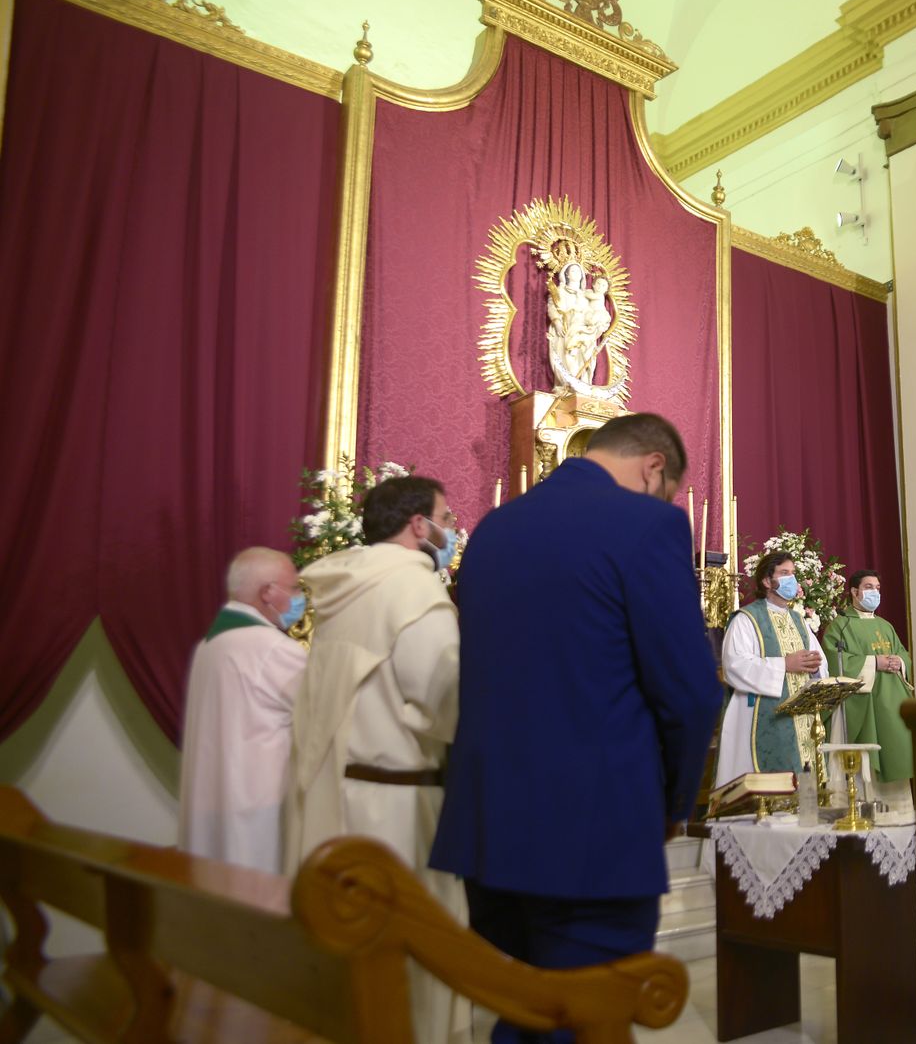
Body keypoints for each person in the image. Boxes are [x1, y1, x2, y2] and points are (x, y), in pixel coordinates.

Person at [430, 413, 721, 1044]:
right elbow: (691, 692)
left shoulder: (494, 530)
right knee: (588, 1013)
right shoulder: (649, 524)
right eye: (666, 489)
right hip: (594, 827)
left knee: (530, 1008)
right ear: (653, 467)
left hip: (491, 828)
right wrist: (673, 805)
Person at [284, 475, 465, 1044]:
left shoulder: (345, 587)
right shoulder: (413, 591)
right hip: (400, 807)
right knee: (407, 964)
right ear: (419, 526)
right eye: (445, 516)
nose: (451, 528)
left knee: (352, 958)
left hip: (343, 790)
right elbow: (440, 695)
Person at [177, 547, 306, 873]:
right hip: (255, 811)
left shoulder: (210, 644)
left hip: (211, 802)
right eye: (294, 588)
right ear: (268, 592)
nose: (300, 597)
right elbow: (325, 713)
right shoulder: (271, 648)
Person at [716, 551, 832, 788]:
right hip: (763, 716)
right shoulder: (746, 619)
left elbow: (820, 663)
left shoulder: (799, 621)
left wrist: (815, 668)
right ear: (767, 581)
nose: (792, 579)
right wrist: (784, 665)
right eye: (784, 573)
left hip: (802, 720)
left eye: (793, 574)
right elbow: (734, 666)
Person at [822, 569, 916, 817]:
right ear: (854, 592)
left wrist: (899, 662)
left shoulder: (885, 626)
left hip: (891, 702)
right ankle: (864, 808)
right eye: (869, 587)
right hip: (864, 703)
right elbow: (836, 660)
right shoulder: (840, 627)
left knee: (895, 753)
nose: (875, 592)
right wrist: (875, 663)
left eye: (877, 588)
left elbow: (903, 654)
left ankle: (898, 811)